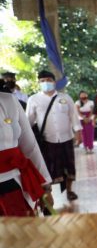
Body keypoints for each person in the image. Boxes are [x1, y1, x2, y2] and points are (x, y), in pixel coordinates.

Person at [26, 70, 82, 201]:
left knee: (69, 166)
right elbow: (27, 121)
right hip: (47, 141)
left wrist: (78, 133)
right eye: (42, 81)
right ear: (39, 83)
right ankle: (49, 196)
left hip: (66, 138)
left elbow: (74, 117)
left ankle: (69, 191)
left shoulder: (65, 98)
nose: (46, 83)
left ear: (54, 82)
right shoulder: (33, 99)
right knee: (48, 168)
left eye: (48, 80)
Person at [0, 85, 52, 216]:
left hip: (15, 183)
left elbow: (30, 146)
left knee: (24, 227)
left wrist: (45, 186)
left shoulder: (8, 100)